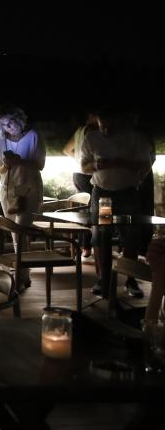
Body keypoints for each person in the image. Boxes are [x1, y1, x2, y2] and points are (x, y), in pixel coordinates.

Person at [80, 106, 153, 298]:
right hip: (103, 195)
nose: (106, 131)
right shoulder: (91, 138)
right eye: (102, 126)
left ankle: (130, 278)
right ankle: (103, 279)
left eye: (110, 127)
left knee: (131, 236)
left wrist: (122, 163)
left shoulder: (134, 138)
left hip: (127, 194)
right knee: (101, 233)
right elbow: (84, 167)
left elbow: (146, 165)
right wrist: (96, 165)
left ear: (120, 122)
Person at [0, 104, 45, 291]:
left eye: (11, 122)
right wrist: (6, 164)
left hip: (29, 189)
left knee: (21, 230)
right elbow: (0, 169)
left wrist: (19, 161)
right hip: (9, 191)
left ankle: (19, 276)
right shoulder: (0, 142)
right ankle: (23, 275)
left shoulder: (34, 136)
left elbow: (40, 164)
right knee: (15, 232)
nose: (8, 127)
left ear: (19, 120)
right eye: (4, 125)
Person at [63, 112, 98, 258]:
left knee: (85, 211)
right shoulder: (93, 131)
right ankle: (87, 247)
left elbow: (66, 150)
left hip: (77, 174)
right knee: (91, 212)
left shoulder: (79, 131)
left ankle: (85, 247)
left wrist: (78, 160)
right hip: (88, 175)